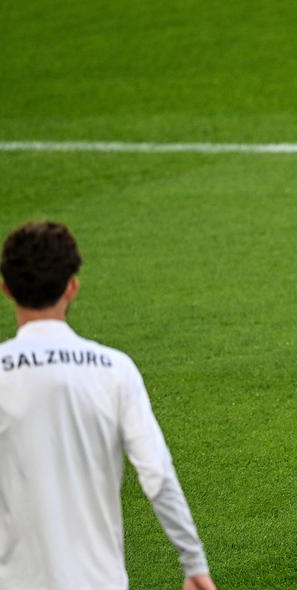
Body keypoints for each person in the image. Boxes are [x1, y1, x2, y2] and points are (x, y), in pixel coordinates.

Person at [0, 222, 215, 590]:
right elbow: (158, 474)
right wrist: (193, 562)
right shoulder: (114, 369)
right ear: (72, 287)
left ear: (6, 289)